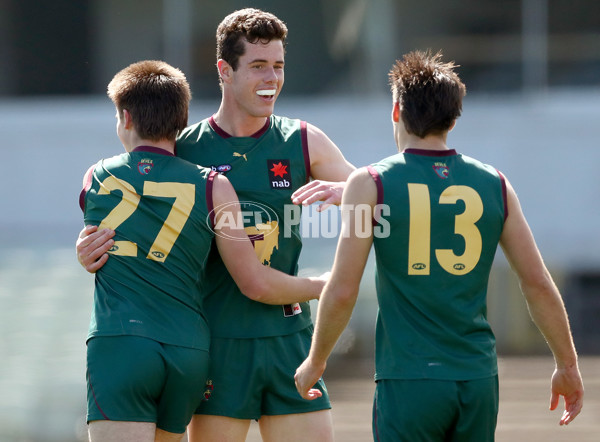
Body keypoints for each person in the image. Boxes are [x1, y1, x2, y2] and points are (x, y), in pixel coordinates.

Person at [76, 8, 356, 442]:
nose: (273, 78)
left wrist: (350, 194)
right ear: (225, 70)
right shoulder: (184, 150)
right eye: (259, 66)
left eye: (279, 65)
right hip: (217, 343)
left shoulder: (304, 140)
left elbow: (382, 202)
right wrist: (89, 248)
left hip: (289, 335)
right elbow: (130, 214)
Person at [294, 50, 584, 441]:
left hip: (410, 378)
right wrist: (567, 364)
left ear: (396, 111)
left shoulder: (371, 183)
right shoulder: (495, 183)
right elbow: (537, 283)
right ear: (453, 117)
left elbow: (344, 289)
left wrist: (316, 360)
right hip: (477, 378)